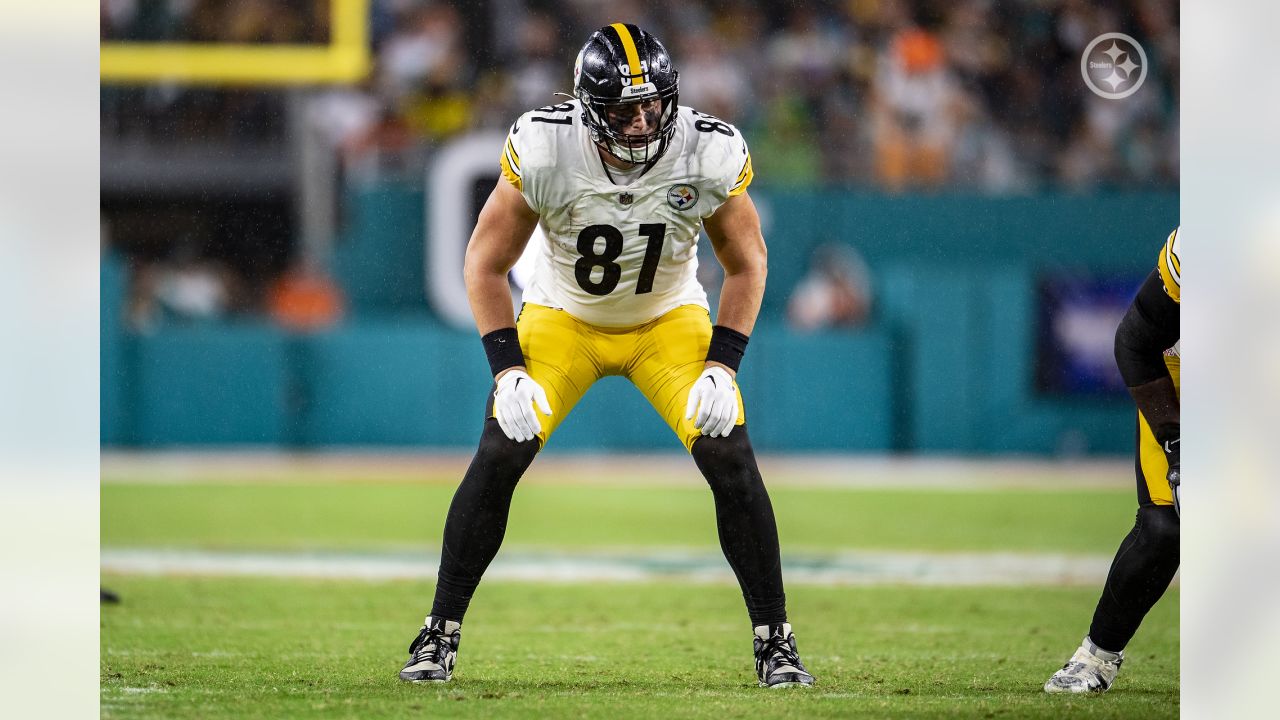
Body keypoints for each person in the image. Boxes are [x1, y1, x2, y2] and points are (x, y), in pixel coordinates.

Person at [397, 23, 815, 689]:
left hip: (667, 319)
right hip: (565, 316)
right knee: (502, 446)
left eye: (653, 105)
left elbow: (748, 263)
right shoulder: (544, 145)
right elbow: (483, 262)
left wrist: (723, 362)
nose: (643, 120)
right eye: (625, 108)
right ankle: (439, 631)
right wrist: (506, 368)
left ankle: (776, 638)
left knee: (729, 451)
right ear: (590, 109)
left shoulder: (708, 150)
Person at [1044, 227, 1181, 693]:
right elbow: (1135, 342)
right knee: (1166, 527)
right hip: (1187, 381)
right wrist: (1176, 440)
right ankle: (1096, 657)